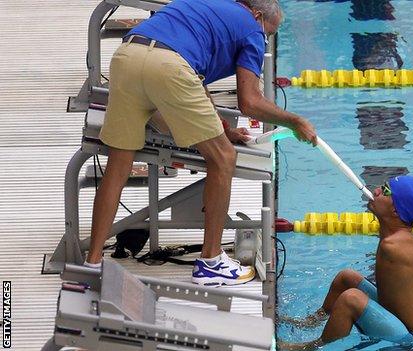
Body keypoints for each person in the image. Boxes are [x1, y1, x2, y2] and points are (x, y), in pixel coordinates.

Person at [84, 0, 317, 286]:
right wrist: (295, 121)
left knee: (118, 166)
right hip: (169, 68)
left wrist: (218, 128)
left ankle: (92, 264)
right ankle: (211, 261)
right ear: (257, 16)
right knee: (223, 158)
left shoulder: (209, 7)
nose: (266, 40)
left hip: (127, 55)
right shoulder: (252, 30)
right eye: (269, 32)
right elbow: (249, 101)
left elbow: (195, 75)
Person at [280, 176, 413, 350]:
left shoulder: (393, 246)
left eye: (385, 191)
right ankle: (312, 321)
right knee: (346, 278)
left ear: (395, 210)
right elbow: (391, 299)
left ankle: (312, 347)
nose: (376, 190)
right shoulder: (395, 237)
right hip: (399, 318)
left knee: (351, 299)